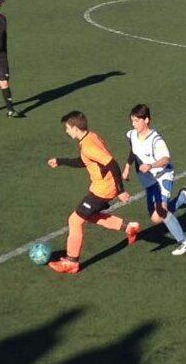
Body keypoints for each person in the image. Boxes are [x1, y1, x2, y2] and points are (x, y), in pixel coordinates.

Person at [47, 111, 140, 274]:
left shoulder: (88, 146)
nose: (66, 131)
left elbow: (112, 164)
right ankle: (129, 227)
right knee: (88, 215)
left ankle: (71, 262)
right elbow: (85, 161)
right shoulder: (91, 137)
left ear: (75, 128)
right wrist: (61, 161)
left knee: (75, 220)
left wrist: (120, 191)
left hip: (104, 189)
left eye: (67, 128)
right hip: (101, 186)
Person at [122, 104, 186, 256]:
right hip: (149, 180)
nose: (133, 124)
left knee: (161, 211)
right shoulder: (132, 135)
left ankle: (185, 243)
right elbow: (133, 151)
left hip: (162, 176)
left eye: (137, 121)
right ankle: (183, 197)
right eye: (132, 121)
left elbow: (165, 159)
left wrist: (150, 165)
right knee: (156, 218)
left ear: (146, 120)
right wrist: (127, 167)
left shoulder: (156, 140)